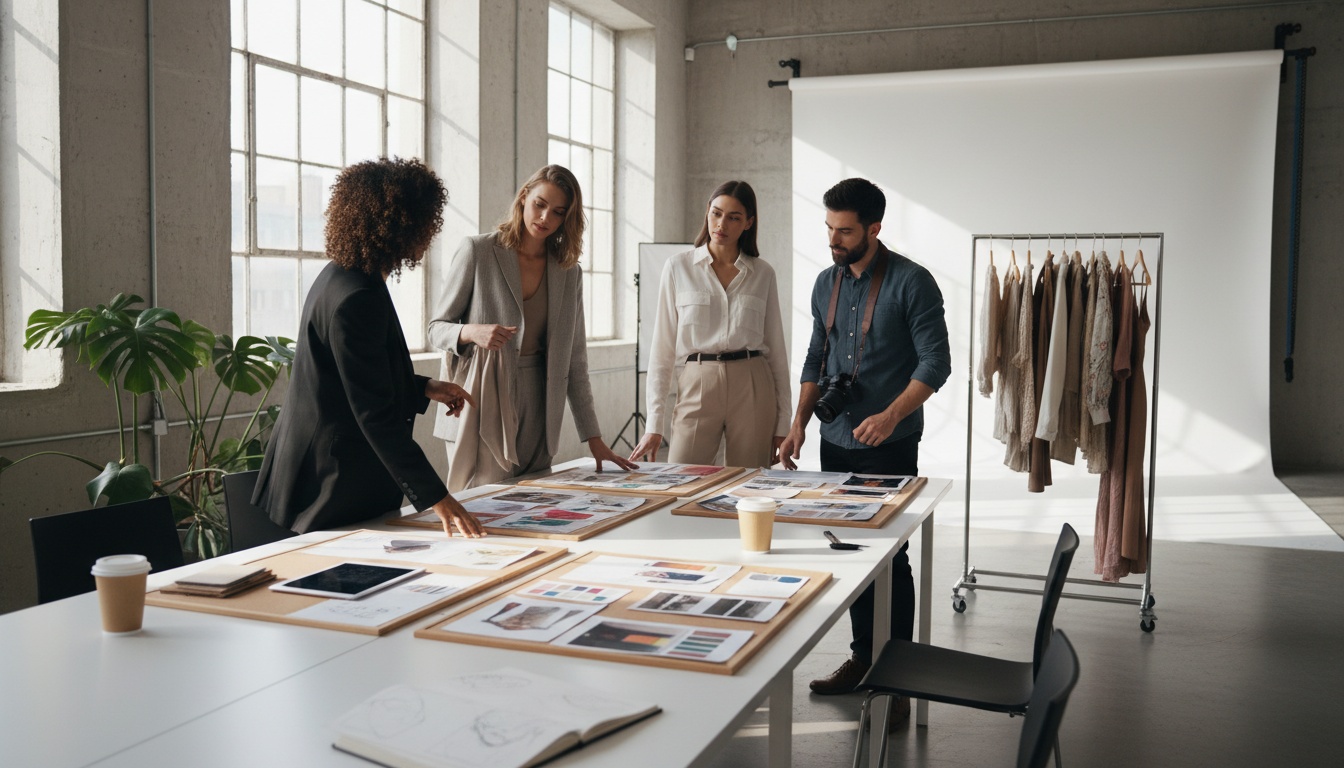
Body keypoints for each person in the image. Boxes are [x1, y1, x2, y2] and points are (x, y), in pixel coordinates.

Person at [778, 178, 951, 717]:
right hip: (835, 441)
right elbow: (814, 359)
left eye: (845, 230)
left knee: (890, 559)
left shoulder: (913, 283)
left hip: (889, 443)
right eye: (829, 228)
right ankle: (861, 659)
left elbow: (935, 363)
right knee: (850, 553)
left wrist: (892, 414)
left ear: (874, 228)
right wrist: (798, 425)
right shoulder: (824, 283)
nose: (834, 238)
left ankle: (895, 680)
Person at [253, 157, 485, 539]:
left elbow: (357, 374)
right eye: (427, 224)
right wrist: (438, 498)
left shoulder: (345, 276)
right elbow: (372, 414)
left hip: (335, 469)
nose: (430, 235)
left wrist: (424, 387)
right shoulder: (356, 297)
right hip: (333, 481)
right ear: (403, 225)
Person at [428, 164, 636, 487]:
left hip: (541, 404)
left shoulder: (569, 272)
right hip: (482, 402)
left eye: (557, 212)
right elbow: (435, 328)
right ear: (524, 197)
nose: (545, 218)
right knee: (483, 506)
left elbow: (575, 361)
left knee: (531, 505)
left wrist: (593, 438)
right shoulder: (478, 251)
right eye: (539, 205)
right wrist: (471, 332)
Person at [629, 180, 790, 467]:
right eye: (716, 213)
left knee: (749, 484)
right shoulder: (678, 267)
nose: (721, 224)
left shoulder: (763, 273)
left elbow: (776, 349)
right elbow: (662, 348)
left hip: (752, 382)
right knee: (682, 476)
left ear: (749, 223)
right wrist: (654, 423)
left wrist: (783, 423)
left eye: (734, 217)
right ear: (707, 212)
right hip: (698, 379)